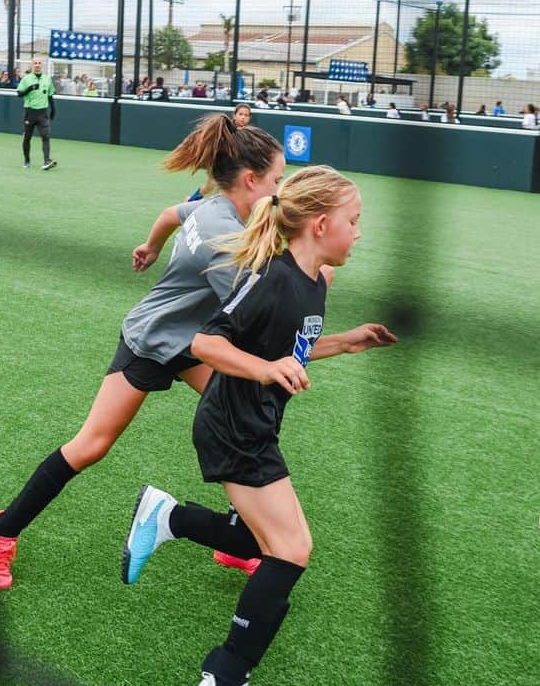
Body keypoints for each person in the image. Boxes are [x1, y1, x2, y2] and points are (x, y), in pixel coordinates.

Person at [0, 116, 292, 590]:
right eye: (278, 181)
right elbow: (256, 317)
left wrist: (149, 247)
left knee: (244, 422)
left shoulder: (214, 209)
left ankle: (234, 540)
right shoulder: (224, 237)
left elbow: (169, 215)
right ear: (251, 180)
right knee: (92, 446)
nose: (282, 190)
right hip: (153, 340)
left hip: (195, 342)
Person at [120, 165, 397, 686]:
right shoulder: (271, 278)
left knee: (256, 540)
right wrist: (267, 370)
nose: (358, 232)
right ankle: (224, 672)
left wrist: (344, 341)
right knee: (291, 549)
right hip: (234, 425)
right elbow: (206, 343)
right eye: (353, 220)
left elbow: (286, 348)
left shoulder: (314, 282)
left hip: (256, 422)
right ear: (319, 224)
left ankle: (169, 518)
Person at [191, 106, 252, 201]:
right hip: (220, 162)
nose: (243, 117)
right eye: (240, 114)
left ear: (249, 118)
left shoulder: (249, 133)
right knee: (213, 184)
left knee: (218, 186)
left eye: (246, 115)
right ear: (234, 116)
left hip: (235, 165)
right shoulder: (226, 128)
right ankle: (191, 202)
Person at [17, 57, 57, 170]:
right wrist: (29, 89)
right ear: (32, 65)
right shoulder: (26, 79)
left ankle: (46, 161)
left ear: (42, 65)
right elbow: (19, 94)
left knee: (46, 136)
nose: (37, 65)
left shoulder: (47, 79)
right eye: (35, 63)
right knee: (27, 138)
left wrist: (54, 108)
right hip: (30, 113)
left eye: (39, 63)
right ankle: (27, 160)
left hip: (43, 113)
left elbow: (50, 95)